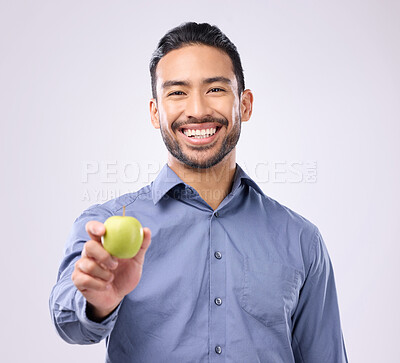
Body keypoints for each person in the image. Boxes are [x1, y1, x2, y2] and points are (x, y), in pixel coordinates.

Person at [49, 22, 348, 362]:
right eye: (177, 92)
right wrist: (98, 303)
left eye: (216, 89)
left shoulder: (301, 239)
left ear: (245, 105)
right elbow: (68, 323)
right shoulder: (104, 225)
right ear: (155, 112)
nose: (198, 110)